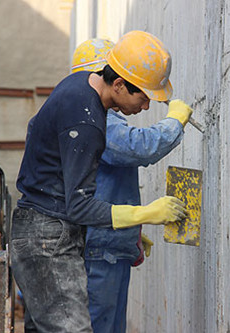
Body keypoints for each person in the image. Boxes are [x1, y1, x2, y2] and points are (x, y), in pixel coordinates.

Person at [11, 30, 192, 333]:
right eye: (143, 96)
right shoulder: (88, 122)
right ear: (119, 84)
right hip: (47, 238)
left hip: (42, 231)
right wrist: (144, 214)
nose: (145, 107)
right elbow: (80, 207)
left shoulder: (77, 88)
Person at [71, 39, 193, 333]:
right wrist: (174, 122)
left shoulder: (97, 113)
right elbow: (134, 147)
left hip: (109, 243)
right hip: (100, 247)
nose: (146, 103)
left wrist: (131, 232)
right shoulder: (99, 117)